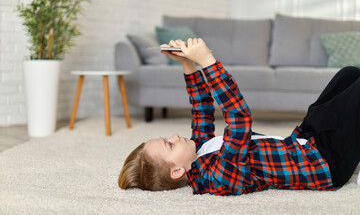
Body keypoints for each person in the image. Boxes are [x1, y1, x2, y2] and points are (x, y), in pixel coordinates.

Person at [118, 38, 360, 195]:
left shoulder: (201, 149)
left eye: (167, 137)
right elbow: (239, 120)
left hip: (304, 141)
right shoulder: (218, 176)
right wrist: (208, 62)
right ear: (177, 172)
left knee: (349, 75)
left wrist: (188, 65)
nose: (174, 136)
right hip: (326, 161)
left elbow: (201, 108)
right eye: (169, 144)